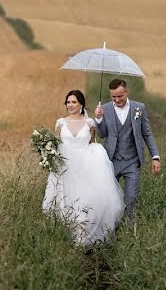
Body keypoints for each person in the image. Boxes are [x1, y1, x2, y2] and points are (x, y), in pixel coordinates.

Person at [42, 89, 124, 245]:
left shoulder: (89, 123)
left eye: (74, 102)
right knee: (65, 198)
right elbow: (56, 145)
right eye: (68, 102)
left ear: (81, 104)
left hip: (85, 166)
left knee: (85, 200)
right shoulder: (60, 123)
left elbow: (92, 143)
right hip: (65, 166)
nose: (70, 105)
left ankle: (82, 238)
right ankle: (65, 236)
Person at [94, 78, 161, 221]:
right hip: (112, 160)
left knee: (131, 198)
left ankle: (129, 229)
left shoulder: (139, 108)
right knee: (110, 197)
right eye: (113, 97)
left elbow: (147, 133)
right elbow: (102, 134)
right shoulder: (104, 109)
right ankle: (111, 227)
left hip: (132, 161)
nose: (117, 100)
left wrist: (155, 157)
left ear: (127, 92)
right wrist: (98, 120)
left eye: (120, 96)